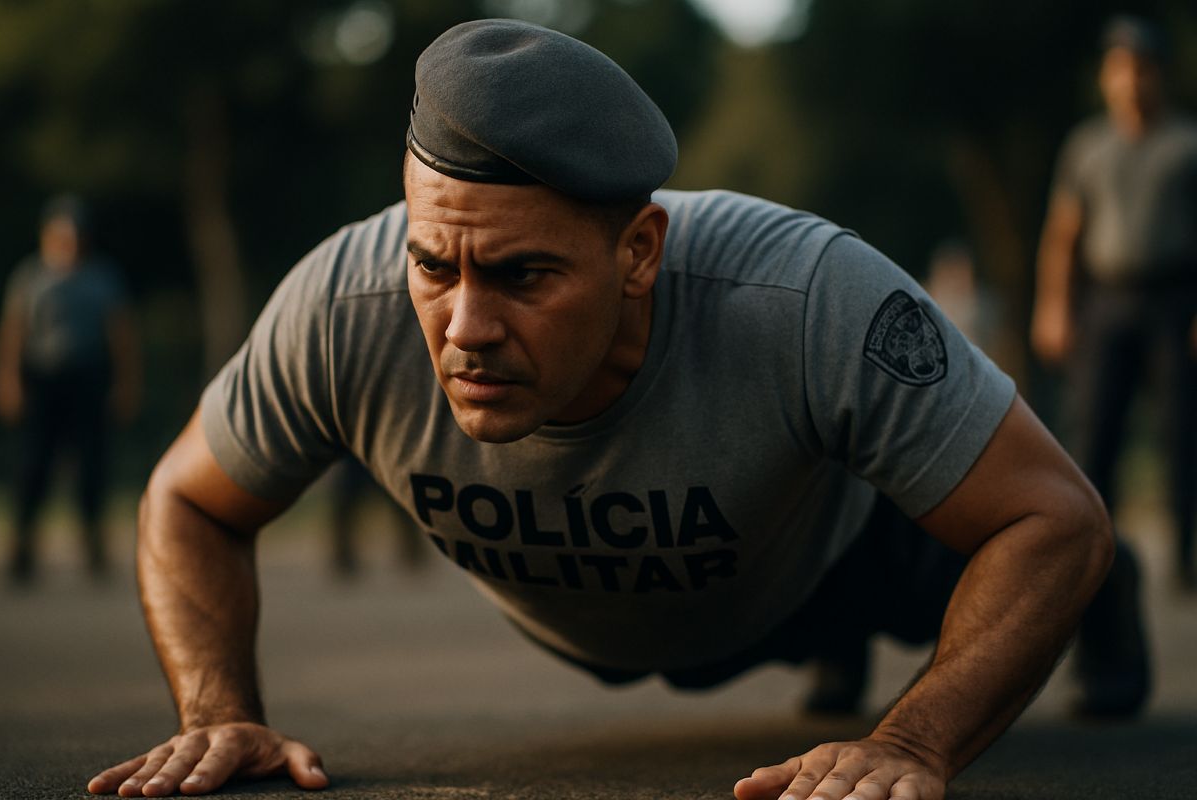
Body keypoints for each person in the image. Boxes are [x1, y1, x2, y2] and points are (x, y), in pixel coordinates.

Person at [89, 20, 1130, 800]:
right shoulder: (340, 307)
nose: (464, 326)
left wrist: (910, 741)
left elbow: (1050, 518)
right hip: (615, 612)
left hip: (830, 565)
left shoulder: (805, 297)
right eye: (432, 264)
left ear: (638, 251)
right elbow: (187, 500)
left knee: (1053, 543)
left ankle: (1079, 613)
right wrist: (220, 712)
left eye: (522, 274)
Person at [1031, 16, 1197, 592]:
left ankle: (1184, 553)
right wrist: (1053, 306)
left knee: (1182, 428)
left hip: (1174, 297)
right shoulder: (1087, 147)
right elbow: (1064, 234)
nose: (1130, 81)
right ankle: (1095, 553)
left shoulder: (1186, 144)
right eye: (1119, 69)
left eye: (1141, 68)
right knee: (1095, 428)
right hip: (1107, 298)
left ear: (1160, 73)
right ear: (1107, 77)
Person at [0, 194, 140, 582]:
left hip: (88, 376)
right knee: (33, 465)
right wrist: (9, 380)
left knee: (92, 465)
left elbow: (120, 333)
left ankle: (93, 547)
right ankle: (23, 548)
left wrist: (125, 383)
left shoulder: (102, 278)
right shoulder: (31, 278)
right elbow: (14, 330)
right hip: (44, 379)